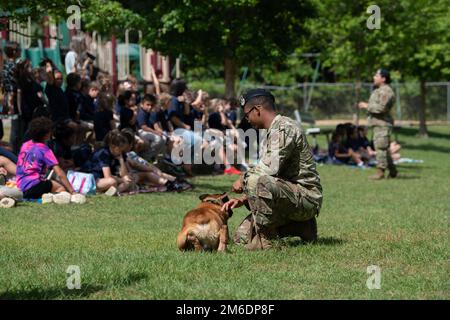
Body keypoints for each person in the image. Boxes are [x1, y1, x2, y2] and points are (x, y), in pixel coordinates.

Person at [222, 89, 323, 250]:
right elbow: (275, 175)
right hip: (288, 195)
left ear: (257, 110)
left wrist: (242, 179)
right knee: (241, 237)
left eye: (247, 114)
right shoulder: (271, 132)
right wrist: (243, 199)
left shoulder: (284, 128)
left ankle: (268, 240)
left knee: (255, 179)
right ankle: (302, 227)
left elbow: (268, 169)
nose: (246, 120)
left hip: (306, 197)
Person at [16, 117, 76, 199]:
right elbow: (59, 173)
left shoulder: (25, 145)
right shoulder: (45, 150)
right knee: (61, 189)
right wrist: (72, 191)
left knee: (49, 185)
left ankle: (41, 196)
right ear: (46, 135)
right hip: (34, 184)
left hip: (21, 186)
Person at [358, 69, 397, 180]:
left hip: (383, 124)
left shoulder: (386, 91)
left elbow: (381, 108)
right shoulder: (379, 90)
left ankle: (380, 172)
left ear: (383, 78)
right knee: (384, 148)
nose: (374, 77)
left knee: (380, 148)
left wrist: (366, 106)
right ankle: (393, 171)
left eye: (376, 75)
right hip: (378, 124)